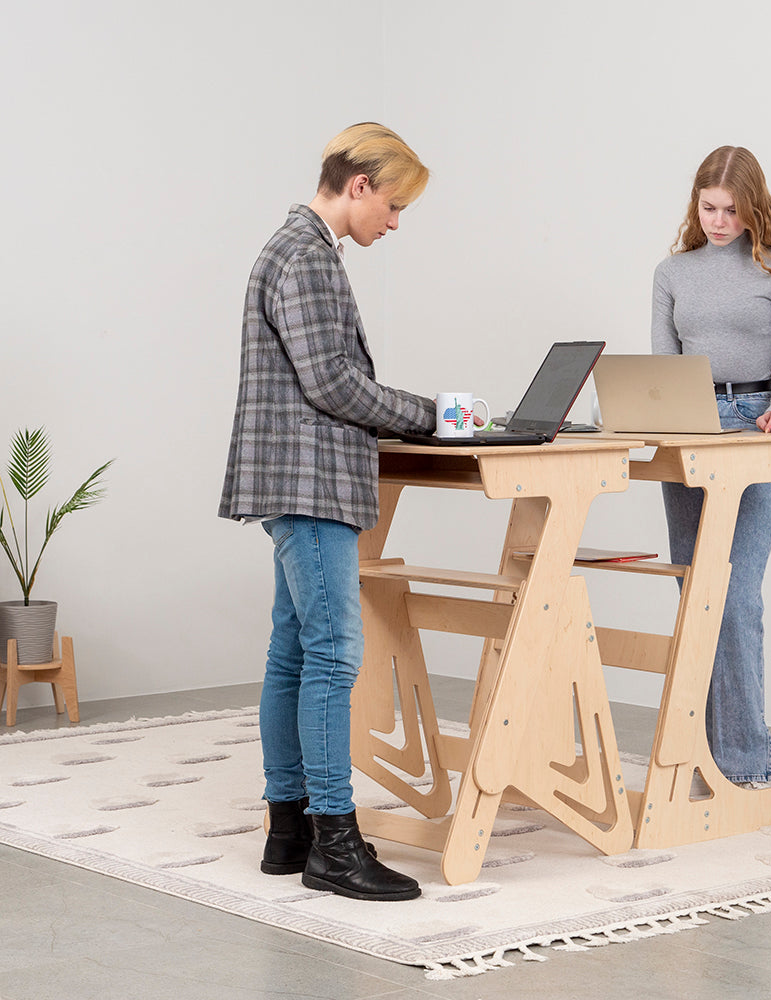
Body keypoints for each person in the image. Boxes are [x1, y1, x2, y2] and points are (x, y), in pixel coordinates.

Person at [219, 123, 437, 901]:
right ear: (360, 186)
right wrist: (429, 414)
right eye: (396, 205)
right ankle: (335, 848)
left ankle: (290, 830)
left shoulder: (295, 249)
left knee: (293, 650)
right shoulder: (307, 257)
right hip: (311, 483)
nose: (396, 222)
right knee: (334, 653)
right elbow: (334, 385)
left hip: (296, 479)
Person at [650, 145, 771, 790]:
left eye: (731, 209)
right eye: (708, 207)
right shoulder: (672, 272)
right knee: (694, 590)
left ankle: (743, 768)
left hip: (753, 425)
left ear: (754, 207)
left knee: (735, 595)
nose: (719, 220)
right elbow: (663, 370)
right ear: (696, 204)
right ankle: (698, 762)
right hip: (688, 426)